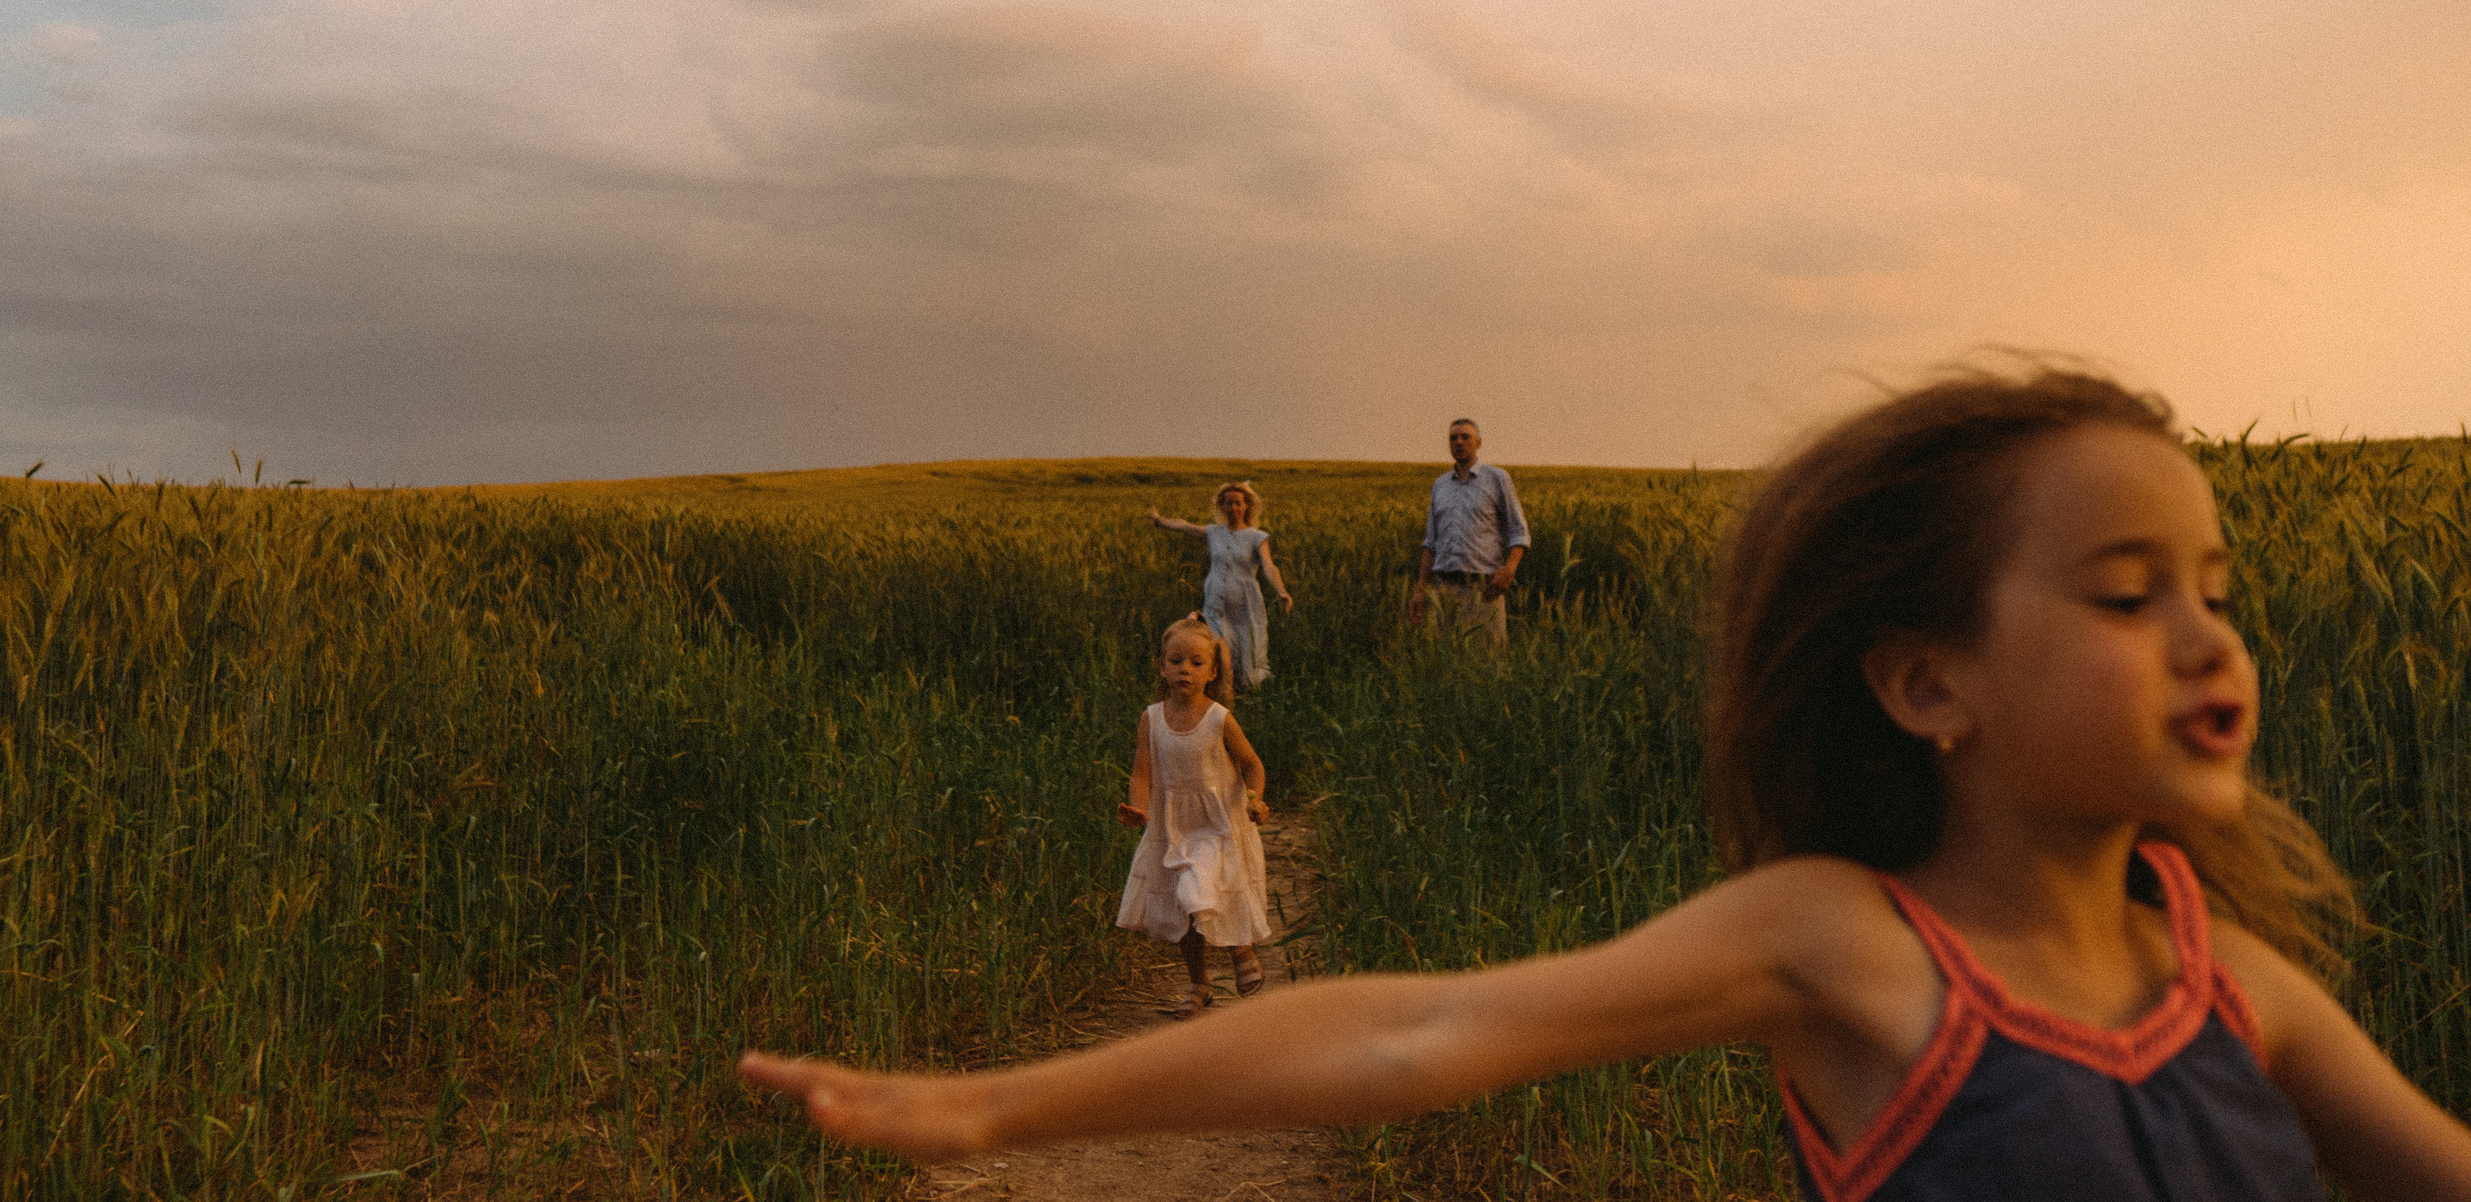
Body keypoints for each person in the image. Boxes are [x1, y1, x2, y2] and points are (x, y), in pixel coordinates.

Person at [741, 366, 2471, 1200]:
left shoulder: (2235, 992)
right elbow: (1419, 1035)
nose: (2205, 636)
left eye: (2218, 590)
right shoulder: (1858, 952)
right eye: (2122, 592)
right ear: (1925, 680)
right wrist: (999, 1109)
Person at [1113, 614, 1272, 1017]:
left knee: (1200, 888)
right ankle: (1199, 983)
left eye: (1196, 663)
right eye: (1176, 660)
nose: (1185, 668)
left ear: (1212, 671)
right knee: (1186, 906)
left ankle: (1240, 948)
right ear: (1162, 667)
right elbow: (1141, 774)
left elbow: (1252, 764)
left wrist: (1254, 798)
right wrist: (1138, 807)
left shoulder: (1219, 718)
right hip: (1174, 825)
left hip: (1218, 822)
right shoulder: (1151, 718)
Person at [1147, 482, 1292, 687]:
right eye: (1228, 503)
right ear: (1222, 506)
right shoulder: (1214, 532)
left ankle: (1249, 696)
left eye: (1238, 503)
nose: (1233, 508)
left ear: (1246, 506)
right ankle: (1220, 698)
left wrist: (1281, 591)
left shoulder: (1257, 537)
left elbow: (1269, 566)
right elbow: (1185, 526)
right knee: (1216, 655)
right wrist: (1159, 521)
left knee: (1249, 671)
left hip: (1245, 608)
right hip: (1215, 605)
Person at [1406, 418, 1528, 651]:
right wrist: (1421, 590)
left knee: (1488, 664)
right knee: (1449, 665)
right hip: (1445, 591)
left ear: (1479, 443)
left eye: (1465, 437)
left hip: (1484, 591)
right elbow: (1431, 543)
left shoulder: (1497, 478)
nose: (1459, 442)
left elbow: (1519, 530)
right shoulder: (1440, 485)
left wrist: (1509, 570)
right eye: (1453, 438)